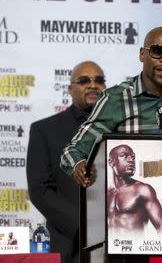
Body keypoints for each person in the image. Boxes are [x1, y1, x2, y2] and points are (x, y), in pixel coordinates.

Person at [60, 26, 162, 187]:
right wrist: (79, 165)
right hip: (135, 196)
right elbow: (72, 151)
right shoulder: (116, 99)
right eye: (157, 51)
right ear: (142, 54)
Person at [27, 61, 106, 263]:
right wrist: (82, 225)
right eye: (84, 80)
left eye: (99, 80)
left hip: (117, 241)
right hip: (69, 242)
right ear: (70, 89)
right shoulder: (44, 130)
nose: (93, 85)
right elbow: (40, 189)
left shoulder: (120, 130)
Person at [106, 144, 162, 235]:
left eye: (133, 157)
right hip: (109, 248)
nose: (131, 160)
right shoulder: (106, 194)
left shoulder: (142, 190)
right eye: (124, 156)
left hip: (135, 246)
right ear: (111, 162)